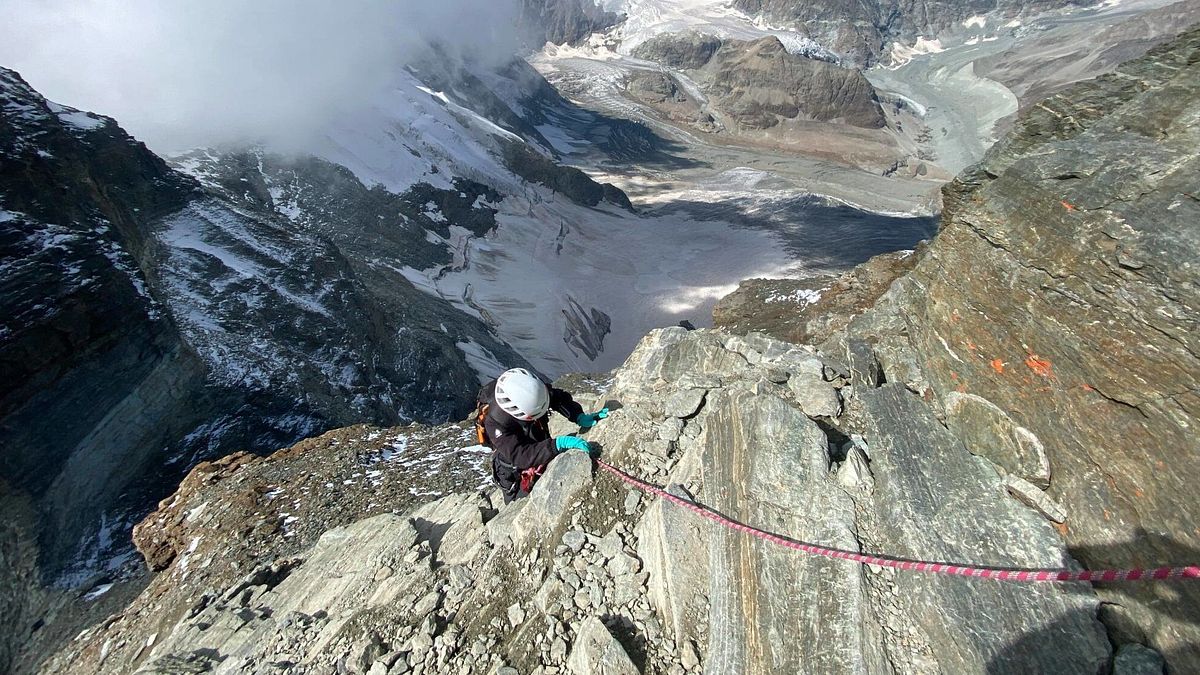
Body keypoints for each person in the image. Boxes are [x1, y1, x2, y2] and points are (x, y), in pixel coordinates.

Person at [477, 368, 609, 503]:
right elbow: (520, 455)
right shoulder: (495, 422)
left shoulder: (531, 389)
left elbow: (557, 398)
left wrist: (578, 415)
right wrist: (557, 444)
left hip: (535, 437)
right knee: (520, 502)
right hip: (512, 468)